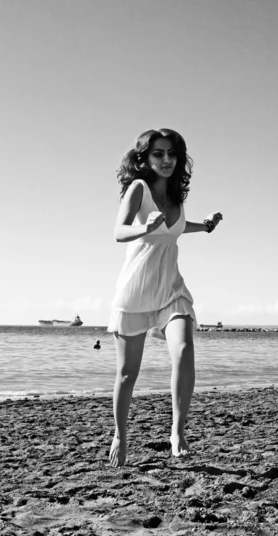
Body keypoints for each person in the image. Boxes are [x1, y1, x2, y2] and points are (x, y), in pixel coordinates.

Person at [108, 128, 223, 467]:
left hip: (171, 289)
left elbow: (176, 227)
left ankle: (177, 430)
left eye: (172, 153)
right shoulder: (138, 189)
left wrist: (203, 226)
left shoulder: (176, 197)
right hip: (136, 291)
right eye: (158, 154)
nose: (167, 160)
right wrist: (145, 227)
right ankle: (120, 434)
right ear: (144, 158)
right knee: (128, 374)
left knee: (185, 348)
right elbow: (118, 231)